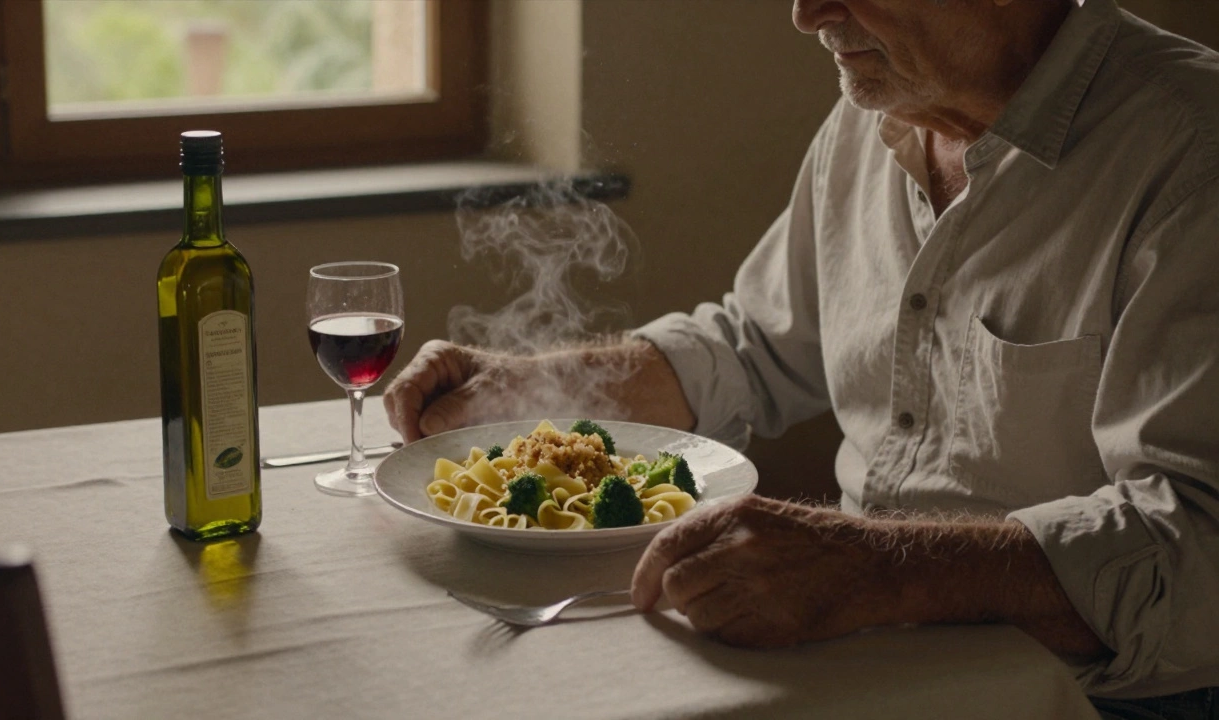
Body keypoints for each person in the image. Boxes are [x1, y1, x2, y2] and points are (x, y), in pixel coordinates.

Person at [385, 0, 1219, 713]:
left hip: (1094, 696)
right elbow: (756, 345)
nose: (805, 11)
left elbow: (1199, 548)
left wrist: (877, 570)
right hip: (867, 652)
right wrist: (531, 386)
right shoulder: (875, 115)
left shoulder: (1191, 155)